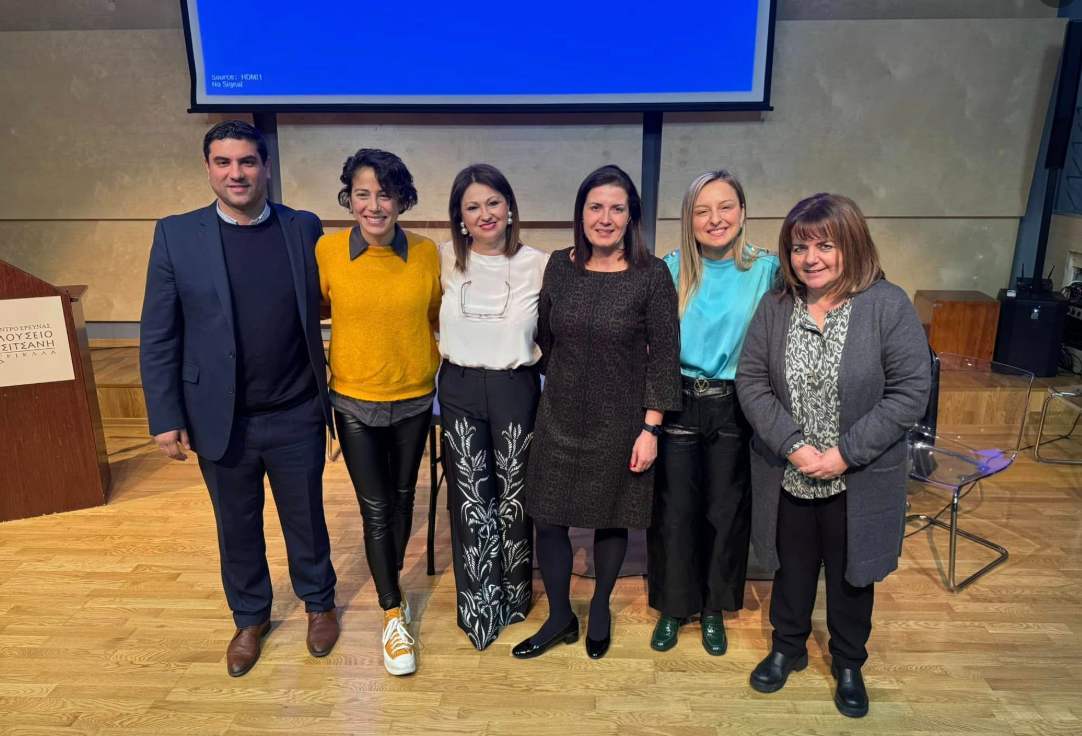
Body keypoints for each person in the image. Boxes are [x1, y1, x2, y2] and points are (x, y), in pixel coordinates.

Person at [140, 120, 339, 677]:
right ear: (208, 168)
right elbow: (159, 334)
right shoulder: (176, 235)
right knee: (236, 525)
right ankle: (250, 618)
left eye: (247, 161)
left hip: (296, 408)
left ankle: (319, 604)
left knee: (307, 518)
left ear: (266, 167)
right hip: (220, 418)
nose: (237, 173)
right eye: (224, 162)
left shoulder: (303, 227)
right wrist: (165, 415)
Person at [735, 193, 930, 718]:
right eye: (800, 247)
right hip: (790, 472)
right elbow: (752, 383)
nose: (811, 258)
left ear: (852, 245)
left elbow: (910, 391)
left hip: (858, 475)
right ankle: (788, 647)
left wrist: (844, 453)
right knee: (791, 568)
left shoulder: (887, 305)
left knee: (852, 575)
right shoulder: (777, 306)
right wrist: (794, 446)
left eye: (825, 245)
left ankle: (848, 663)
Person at [512, 165, 681, 660]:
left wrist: (651, 428)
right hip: (559, 414)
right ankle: (560, 616)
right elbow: (546, 336)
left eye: (617, 208)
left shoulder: (652, 274)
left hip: (621, 420)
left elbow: (664, 356)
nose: (605, 218)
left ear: (631, 217)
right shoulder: (559, 267)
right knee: (548, 518)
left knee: (612, 518)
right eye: (595, 207)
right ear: (581, 213)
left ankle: (601, 606)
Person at [315, 148, 440, 676]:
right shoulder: (327, 251)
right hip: (353, 400)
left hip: (414, 398)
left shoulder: (428, 254)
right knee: (375, 508)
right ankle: (392, 611)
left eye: (385, 195)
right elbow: (315, 310)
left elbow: (435, 315)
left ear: (402, 200)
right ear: (349, 198)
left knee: (404, 499)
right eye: (362, 194)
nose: (373, 205)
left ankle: (391, 581)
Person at [647, 170, 778, 655]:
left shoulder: (767, 269)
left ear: (742, 212)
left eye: (725, 207)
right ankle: (674, 606)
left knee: (725, 512)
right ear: (689, 219)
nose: (715, 219)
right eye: (702, 211)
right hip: (679, 400)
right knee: (675, 512)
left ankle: (712, 609)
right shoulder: (670, 268)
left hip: (734, 404)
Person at [438, 163, 549, 650]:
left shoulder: (539, 264)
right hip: (459, 386)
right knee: (470, 498)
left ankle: (515, 595)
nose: (484, 214)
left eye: (493, 203)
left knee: (514, 496)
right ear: (459, 217)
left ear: (509, 208)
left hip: (515, 386)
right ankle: (479, 607)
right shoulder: (445, 258)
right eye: (472, 206)